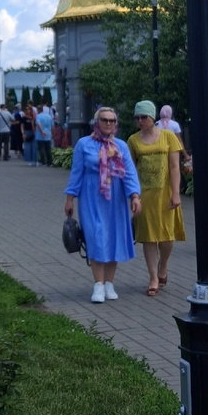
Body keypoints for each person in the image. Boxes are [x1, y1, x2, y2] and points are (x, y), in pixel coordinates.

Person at [64, 106, 142, 303]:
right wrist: (70, 198)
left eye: (112, 121)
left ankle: (109, 283)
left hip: (115, 198)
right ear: (96, 122)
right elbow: (76, 172)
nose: (108, 124)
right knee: (95, 237)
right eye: (104, 120)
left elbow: (130, 173)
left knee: (113, 237)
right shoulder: (84, 144)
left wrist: (134, 196)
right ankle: (98, 285)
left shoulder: (121, 146)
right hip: (91, 196)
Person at [128, 99, 186, 296]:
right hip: (144, 194)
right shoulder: (133, 140)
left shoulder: (169, 137)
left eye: (144, 117)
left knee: (167, 236)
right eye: (137, 117)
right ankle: (153, 277)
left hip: (166, 193)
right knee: (148, 237)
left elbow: (174, 166)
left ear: (153, 117)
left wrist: (176, 193)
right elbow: (130, 169)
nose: (140, 121)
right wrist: (133, 194)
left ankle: (164, 265)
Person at [35, 102, 54, 167]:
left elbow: (38, 124)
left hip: (40, 135)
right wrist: (53, 134)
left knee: (41, 149)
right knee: (48, 149)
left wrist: (42, 131)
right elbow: (52, 126)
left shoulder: (38, 116)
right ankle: (50, 162)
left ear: (38, 110)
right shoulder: (48, 116)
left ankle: (42, 162)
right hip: (48, 134)